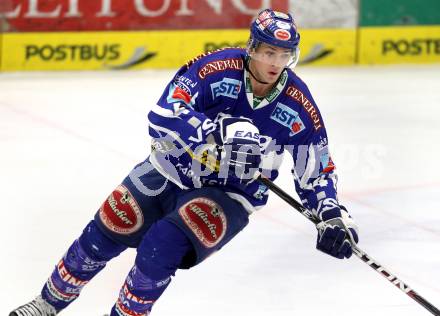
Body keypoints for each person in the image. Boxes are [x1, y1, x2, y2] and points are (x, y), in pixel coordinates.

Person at [10, 8, 359, 316]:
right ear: (252, 48)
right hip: (169, 169)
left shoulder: (298, 104)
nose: (275, 64)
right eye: (269, 52)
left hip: (230, 194)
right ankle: (46, 305)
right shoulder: (214, 68)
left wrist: (330, 215)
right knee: (111, 224)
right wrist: (213, 132)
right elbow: (161, 114)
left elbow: (316, 166)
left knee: (160, 248)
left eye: (284, 55)